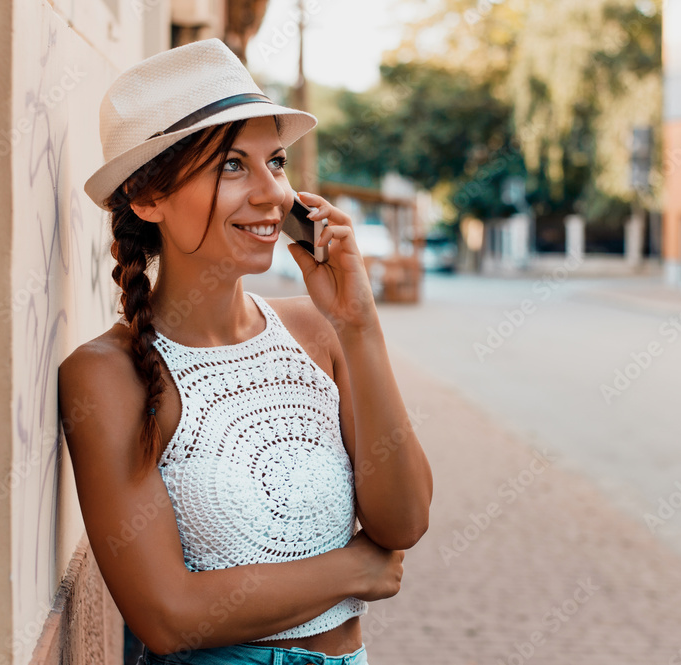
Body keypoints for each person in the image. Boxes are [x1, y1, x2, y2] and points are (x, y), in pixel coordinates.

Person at [57, 38, 433, 665]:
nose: (274, 194)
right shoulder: (107, 376)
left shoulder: (319, 334)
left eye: (277, 161)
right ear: (149, 199)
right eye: (233, 165)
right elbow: (168, 617)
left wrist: (359, 325)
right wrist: (355, 570)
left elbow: (405, 522)